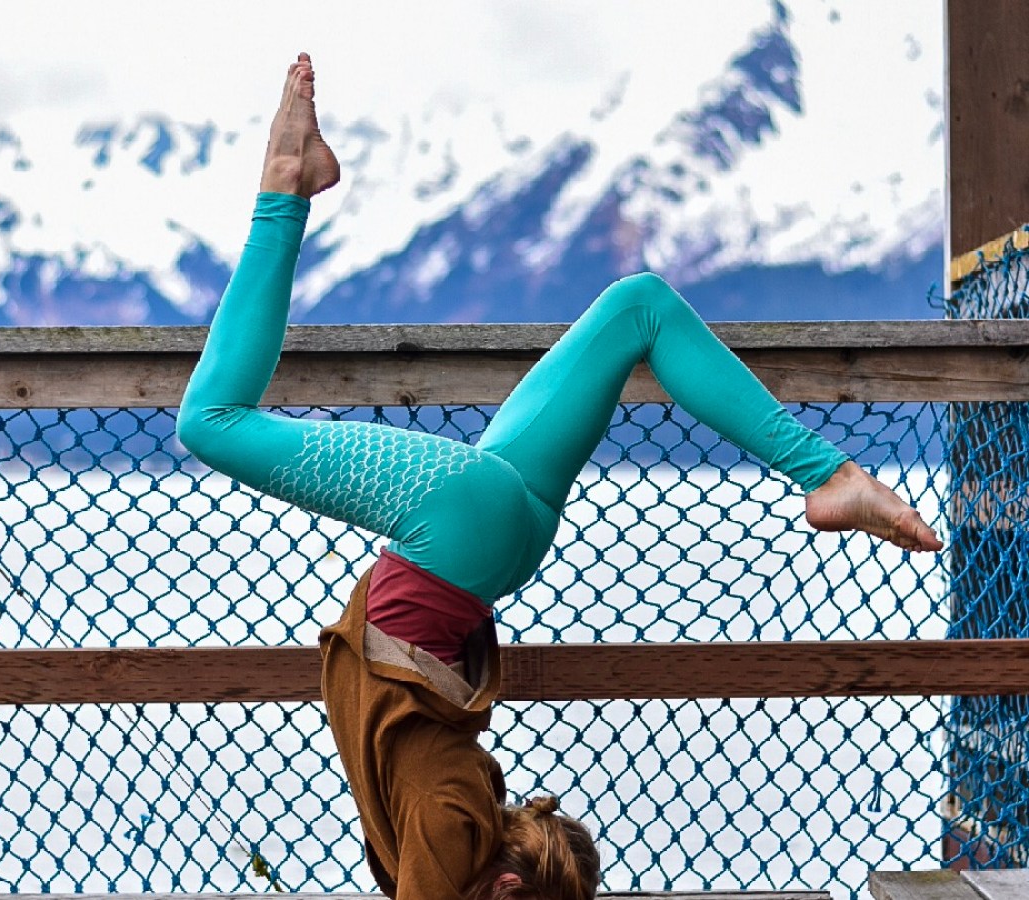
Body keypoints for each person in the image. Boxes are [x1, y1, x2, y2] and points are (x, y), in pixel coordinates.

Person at [177, 53, 942, 900]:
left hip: (500, 541)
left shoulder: (468, 810)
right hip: (457, 528)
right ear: (506, 891)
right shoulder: (448, 818)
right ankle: (286, 184)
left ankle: (829, 473)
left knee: (638, 306)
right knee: (209, 424)